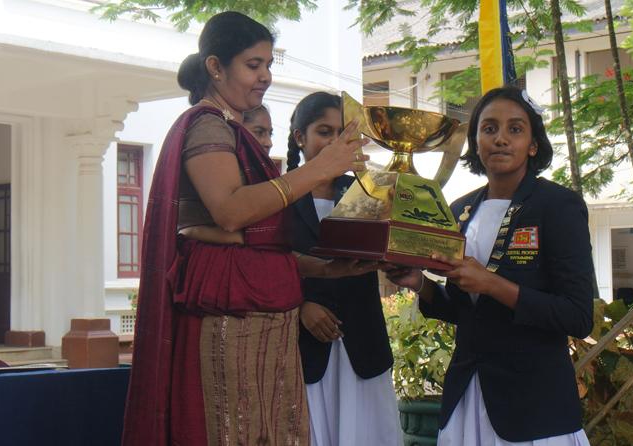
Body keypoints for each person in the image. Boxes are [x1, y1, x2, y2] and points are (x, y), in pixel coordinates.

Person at [121, 12, 369, 446]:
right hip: (229, 316)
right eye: (253, 65)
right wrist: (320, 168)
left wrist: (328, 270)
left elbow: (259, 242)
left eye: (269, 65)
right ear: (216, 67)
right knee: (232, 430)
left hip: (266, 313)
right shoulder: (207, 126)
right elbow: (232, 212)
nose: (265, 77)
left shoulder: (234, 129)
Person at [386, 85, 594, 445]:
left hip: (534, 405)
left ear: (533, 144)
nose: (500, 139)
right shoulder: (459, 210)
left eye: (515, 129)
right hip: (468, 395)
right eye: (489, 128)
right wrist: (420, 283)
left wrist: (492, 284)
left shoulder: (558, 207)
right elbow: (466, 309)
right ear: (476, 142)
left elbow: (577, 315)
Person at [286, 92, 402, 446]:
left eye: (341, 134)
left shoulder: (368, 192)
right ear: (299, 137)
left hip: (362, 344)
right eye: (324, 132)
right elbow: (265, 265)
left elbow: (391, 254)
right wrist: (300, 307)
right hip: (303, 351)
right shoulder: (277, 196)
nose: (334, 142)